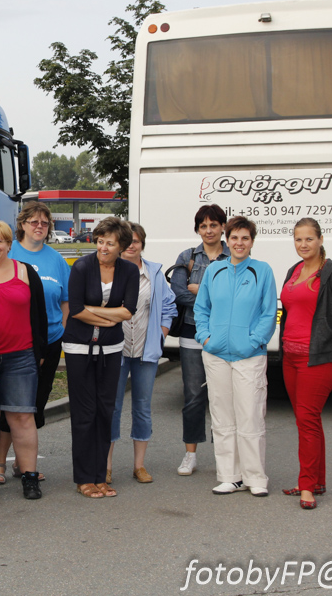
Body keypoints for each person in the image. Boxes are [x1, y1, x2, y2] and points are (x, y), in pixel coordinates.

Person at [279, 217, 332, 510]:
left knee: (307, 419)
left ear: (320, 240)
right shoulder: (294, 270)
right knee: (308, 420)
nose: (303, 244)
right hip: (290, 357)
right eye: (298, 239)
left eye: (309, 239)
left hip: (318, 359)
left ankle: (306, 487)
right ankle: (317, 481)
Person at [194, 216, 277, 498]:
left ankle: (255, 477)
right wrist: (205, 338)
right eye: (234, 237)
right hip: (216, 355)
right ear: (226, 240)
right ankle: (230, 476)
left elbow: (269, 313)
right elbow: (201, 308)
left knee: (250, 416)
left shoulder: (262, 271)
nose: (239, 243)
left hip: (249, 356)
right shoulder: (214, 271)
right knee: (222, 418)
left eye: (245, 238)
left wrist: (253, 342)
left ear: (252, 242)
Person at [63, 217, 139, 499]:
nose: (103, 247)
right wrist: (109, 317)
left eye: (110, 243)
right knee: (85, 413)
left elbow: (128, 311)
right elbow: (76, 310)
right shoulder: (82, 267)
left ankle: (100, 476)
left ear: (122, 246)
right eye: (100, 241)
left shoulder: (129, 270)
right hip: (79, 348)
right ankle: (84, 478)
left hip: (111, 349)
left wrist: (96, 312)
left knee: (106, 411)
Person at [0, 219, 47, 500]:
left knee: (22, 418)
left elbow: (39, 314)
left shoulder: (25, 271)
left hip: (21, 357)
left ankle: (30, 477)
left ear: (8, 244)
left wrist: (39, 353)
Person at [0, 201, 71, 483]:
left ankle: (22, 463)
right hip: (15, 342)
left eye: (44, 223)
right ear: (22, 224)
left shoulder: (57, 259)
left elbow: (66, 300)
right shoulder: (10, 252)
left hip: (49, 341)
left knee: (36, 403)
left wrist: (62, 329)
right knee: (12, 405)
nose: (39, 226)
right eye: (34, 222)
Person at [106, 222, 176, 484]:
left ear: (142, 244)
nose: (131, 245)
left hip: (146, 351)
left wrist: (160, 336)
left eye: (136, 241)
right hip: (115, 350)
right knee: (112, 407)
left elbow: (169, 307)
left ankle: (139, 466)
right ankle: (106, 465)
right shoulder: (110, 271)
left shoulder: (154, 273)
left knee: (142, 408)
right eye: (127, 241)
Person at [170, 204, 230, 476]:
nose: (209, 230)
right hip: (192, 333)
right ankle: (190, 455)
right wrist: (214, 296)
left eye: (213, 225)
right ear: (197, 229)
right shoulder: (187, 256)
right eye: (203, 226)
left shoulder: (233, 255)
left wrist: (199, 289)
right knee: (194, 396)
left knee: (223, 397)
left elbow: (236, 296)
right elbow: (179, 293)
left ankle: (225, 455)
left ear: (222, 227)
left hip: (225, 335)